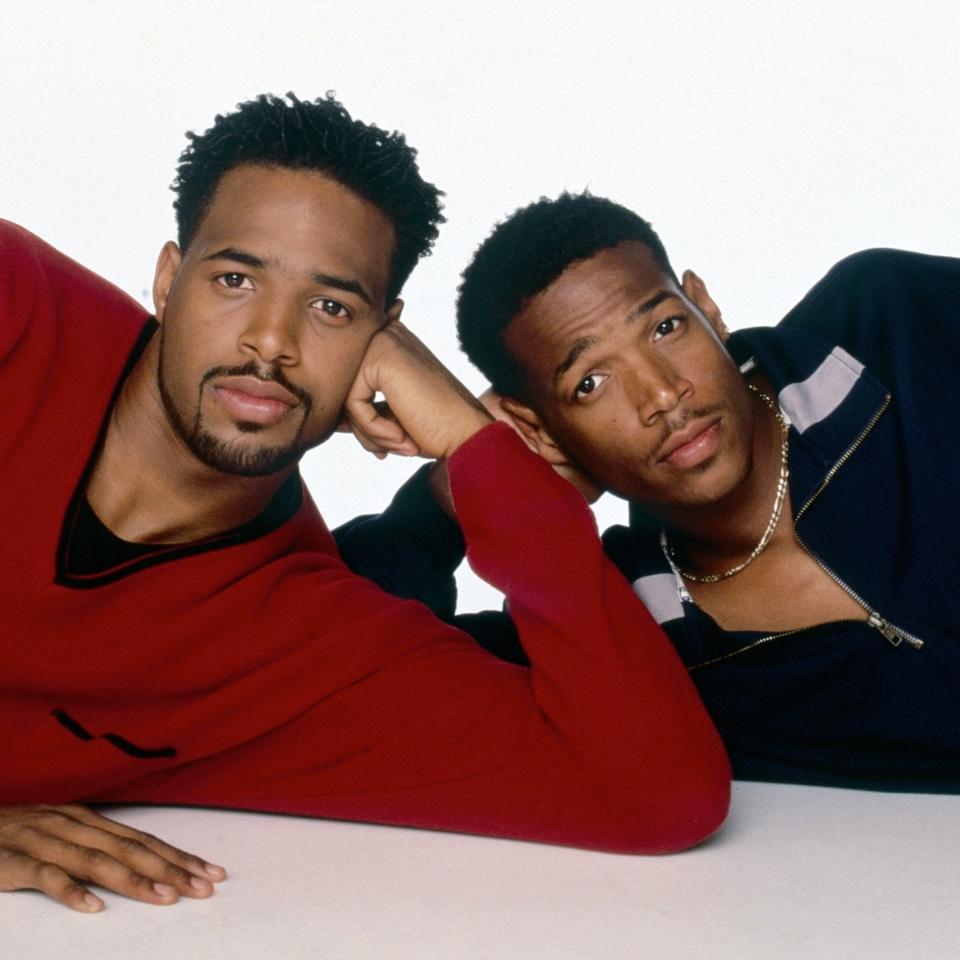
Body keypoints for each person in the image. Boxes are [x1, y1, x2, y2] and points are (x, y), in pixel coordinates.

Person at [0, 100, 730, 913]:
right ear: (170, 280)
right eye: (235, 280)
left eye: (331, 308)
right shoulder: (18, 312)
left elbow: (657, 794)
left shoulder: (314, 643)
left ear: (385, 343)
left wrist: (469, 441)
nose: (271, 340)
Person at [337, 191, 960, 794]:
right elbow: (345, 673)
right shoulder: (622, 635)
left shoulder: (896, 323)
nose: (661, 395)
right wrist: (453, 487)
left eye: (665, 327)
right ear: (540, 429)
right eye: (591, 382)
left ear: (706, 309)